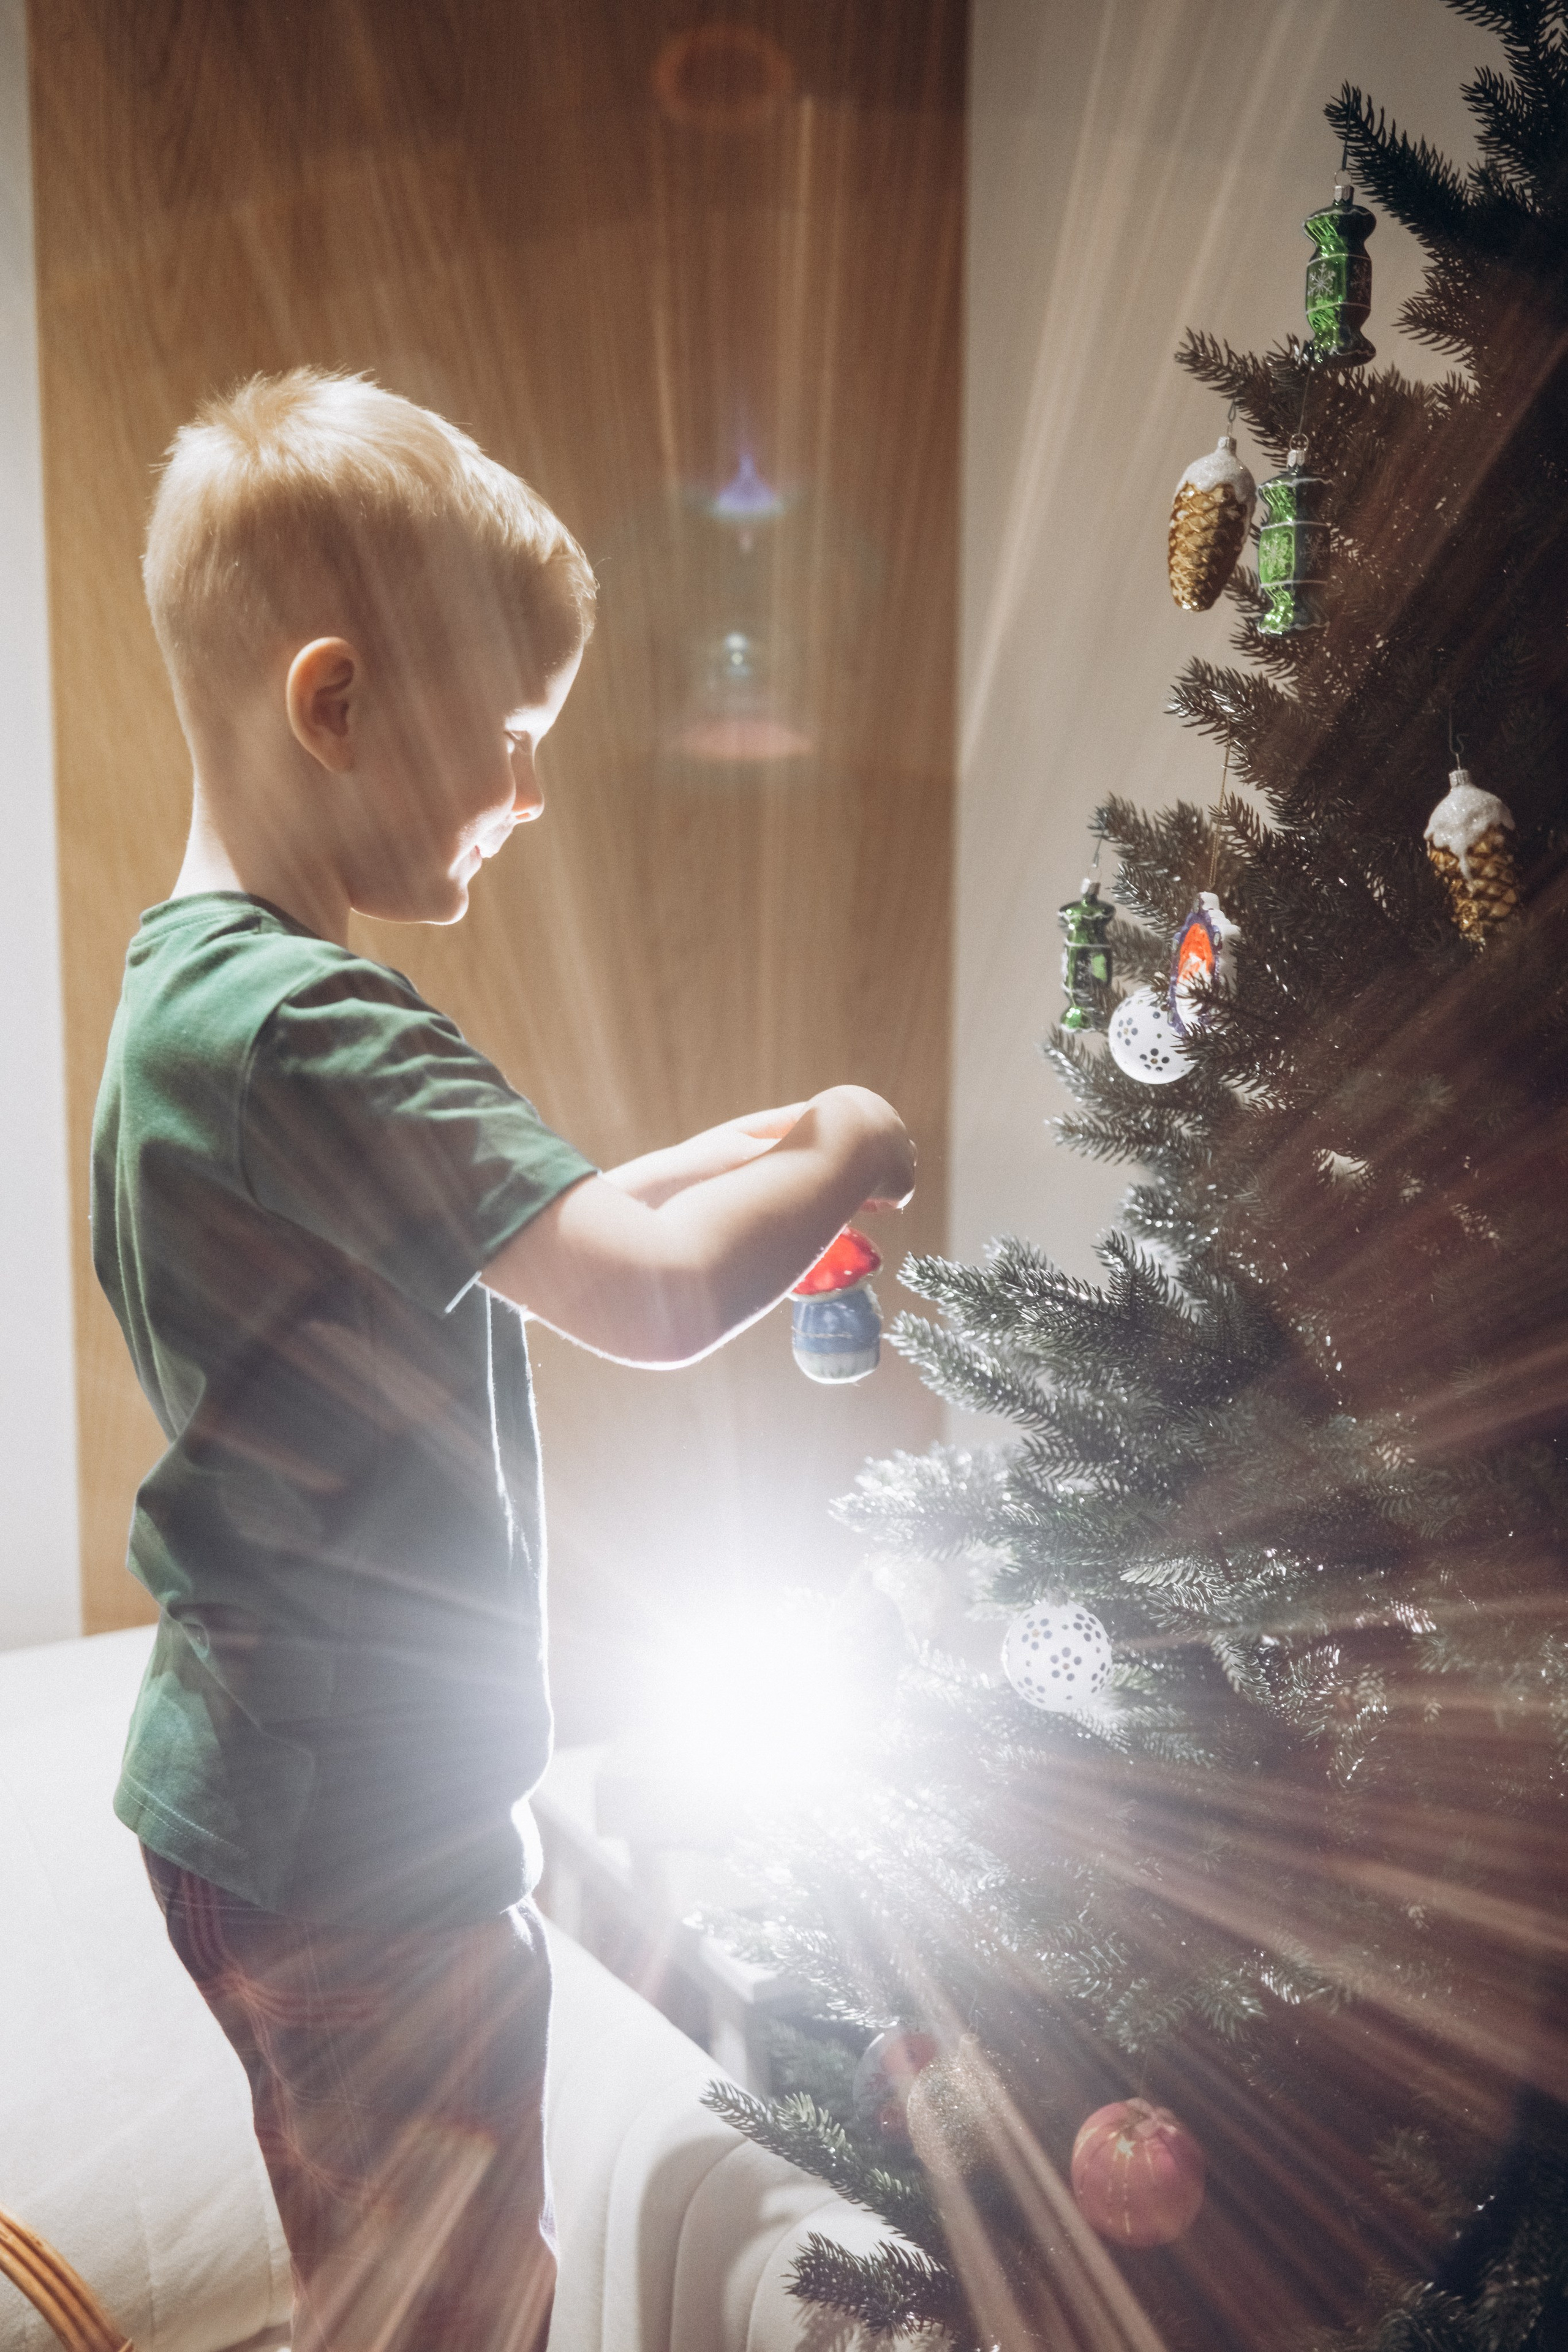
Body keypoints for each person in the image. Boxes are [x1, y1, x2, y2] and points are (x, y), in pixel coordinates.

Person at [92, 368, 916, 2352]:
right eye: (519, 736)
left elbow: (538, 1235)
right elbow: (632, 1292)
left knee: (412, 2273)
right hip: (361, 1854)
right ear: (339, 704)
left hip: (256, 1812)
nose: (535, 791)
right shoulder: (322, 1030)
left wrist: (749, 1154)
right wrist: (862, 1141)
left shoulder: (193, 1008)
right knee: (448, 2311)